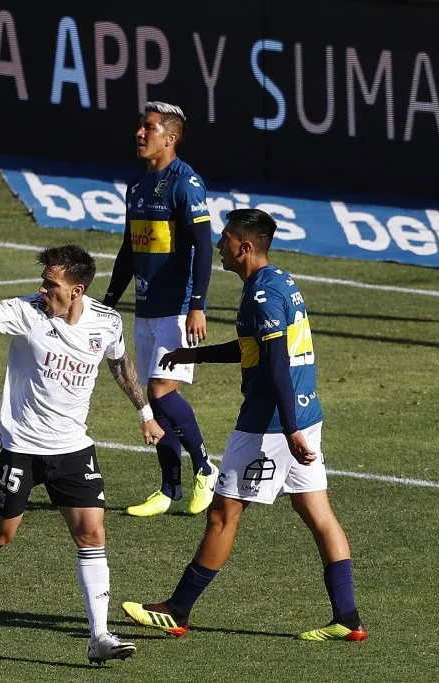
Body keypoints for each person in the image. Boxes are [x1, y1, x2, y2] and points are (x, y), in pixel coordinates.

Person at [121, 208, 367, 642]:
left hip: (269, 426)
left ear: (245, 246)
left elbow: (276, 364)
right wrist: (194, 355)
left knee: (222, 514)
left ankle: (177, 610)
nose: (219, 245)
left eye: (227, 238)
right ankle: (348, 618)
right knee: (317, 512)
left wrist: (287, 429)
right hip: (304, 414)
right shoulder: (279, 282)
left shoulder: (261, 295)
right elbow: (255, 348)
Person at [0, 245, 163, 664]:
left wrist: (145, 414)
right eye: (44, 282)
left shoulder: (106, 322)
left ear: (77, 290)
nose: (42, 289)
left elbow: (120, 365)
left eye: (51, 284)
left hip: (72, 448)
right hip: (19, 447)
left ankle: (99, 636)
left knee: (92, 535)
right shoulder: (26, 311)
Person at [102, 101, 217, 517]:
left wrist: (198, 305)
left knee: (159, 391)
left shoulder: (186, 183)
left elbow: (204, 246)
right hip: (147, 306)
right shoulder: (137, 185)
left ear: (170, 138)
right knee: (157, 397)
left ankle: (206, 468)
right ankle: (169, 489)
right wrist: (109, 301)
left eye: (148, 128)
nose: (139, 133)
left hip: (177, 308)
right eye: (140, 126)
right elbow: (129, 249)